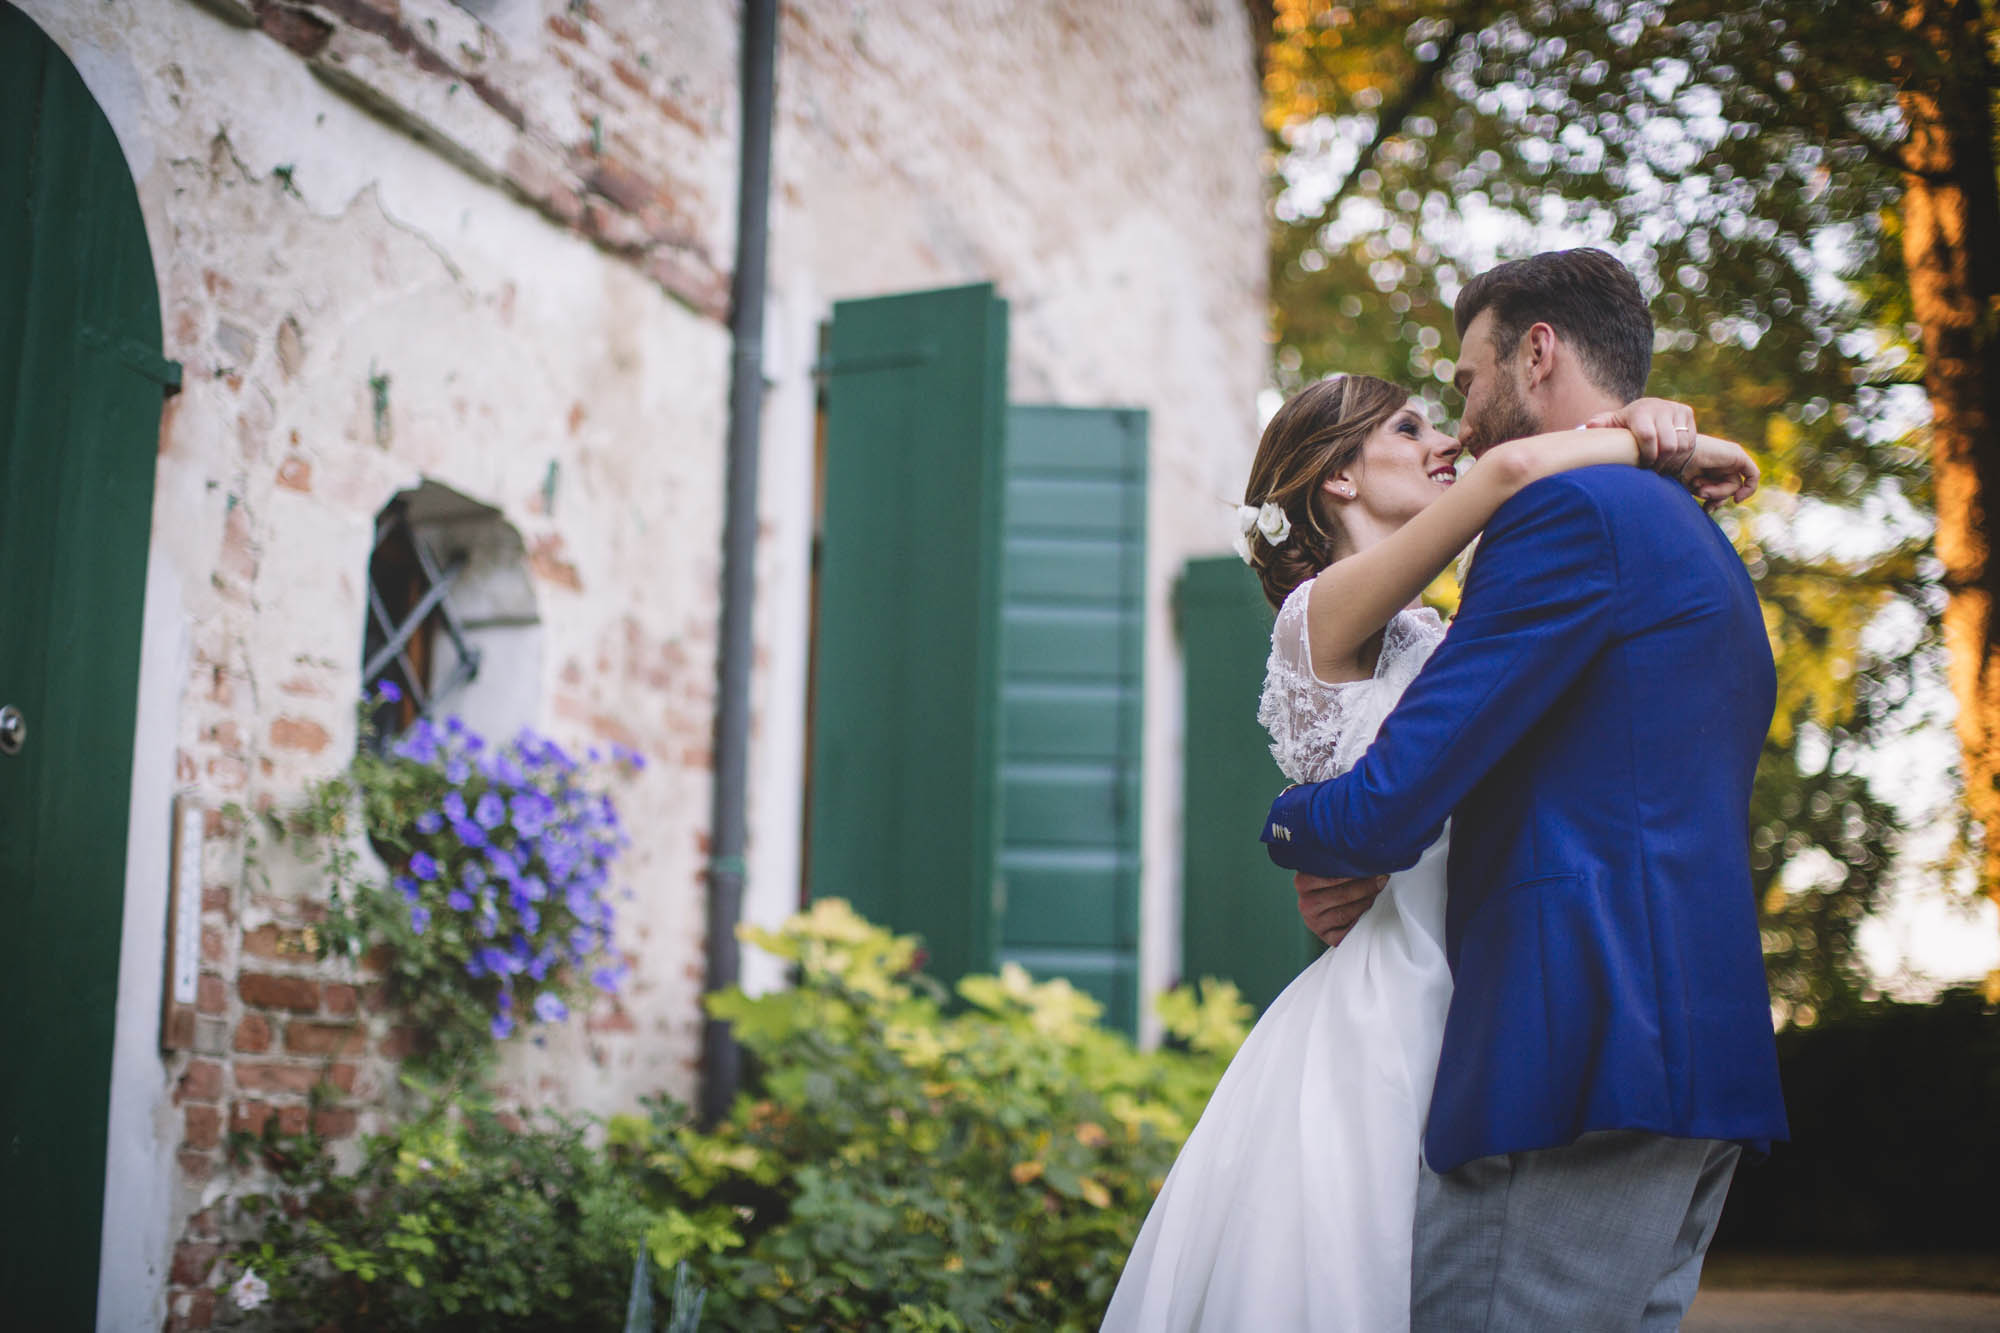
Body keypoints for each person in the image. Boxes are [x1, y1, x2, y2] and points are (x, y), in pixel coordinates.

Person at [1101, 298, 1762, 1328]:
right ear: (1339, 476)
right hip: (1397, 998)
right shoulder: (1316, 615)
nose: (1446, 438)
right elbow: (1510, 470)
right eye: (1409, 426)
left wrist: (1650, 434)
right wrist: (1653, 436)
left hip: (1482, 979)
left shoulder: (1445, 629)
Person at [1263, 248, 1790, 1331]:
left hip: (1576, 1049)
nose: (1458, 426)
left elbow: (1383, 808)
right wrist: (1652, 436)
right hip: (1689, 1044)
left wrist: (1289, 829)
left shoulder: (1566, 516)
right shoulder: (1678, 524)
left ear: (1535, 353)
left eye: (1463, 383)